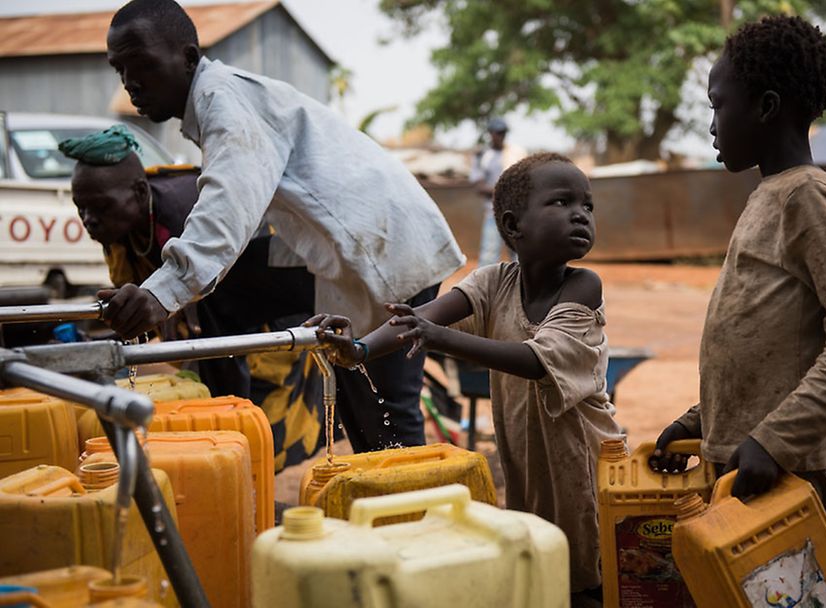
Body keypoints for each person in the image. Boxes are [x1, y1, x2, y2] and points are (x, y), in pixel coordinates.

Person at [101, 0, 466, 453]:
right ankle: (231, 415)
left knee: (387, 410)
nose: (131, 82)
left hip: (385, 252)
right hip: (357, 254)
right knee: (358, 398)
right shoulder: (223, 101)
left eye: (143, 64)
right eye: (120, 69)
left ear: (188, 57)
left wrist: (162, 292)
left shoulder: (224, 102)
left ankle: (420, 509)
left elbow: (227, 204)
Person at [311, 152, 625, 599]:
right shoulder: (493, 283)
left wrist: (437, 337)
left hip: (583, 459)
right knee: (539, 560)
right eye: (561, 203)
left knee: (586, 574)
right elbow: (417, 319)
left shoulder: (581, 286)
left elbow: (536, 361)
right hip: (527, 461)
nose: (580, 215)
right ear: (515, 226)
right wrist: (357, 349)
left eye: (587, 206)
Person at [649, 15, 826, 534]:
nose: (711, 125)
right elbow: (766, 345)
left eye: (718, 105)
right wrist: (699, 420)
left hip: (789, 475)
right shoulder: (768, 196)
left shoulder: (807, 196)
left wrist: (774, 441)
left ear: (767, 106)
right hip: (745, 464)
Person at [60, 125, 328, 471]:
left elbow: (202, 324)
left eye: (99, 207)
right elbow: (153, 313)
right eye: (80, 208)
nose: (89, 220)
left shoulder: (187, 221)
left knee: (253, 426)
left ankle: (245, 485)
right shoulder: (120, 229)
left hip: (267, 311)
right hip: (223, 320)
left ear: (141, 192)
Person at [469, 116, 525, 266]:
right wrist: (505, 191)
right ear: (491, 133)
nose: (501, 136)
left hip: (516, 212)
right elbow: (479, 186)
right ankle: (486, 288)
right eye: (498, 133)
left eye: (504, 133)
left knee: (519, 255)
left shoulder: (516, 152)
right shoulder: (483, 156)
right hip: (493, 212)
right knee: (488, 255)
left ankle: (521, 288)